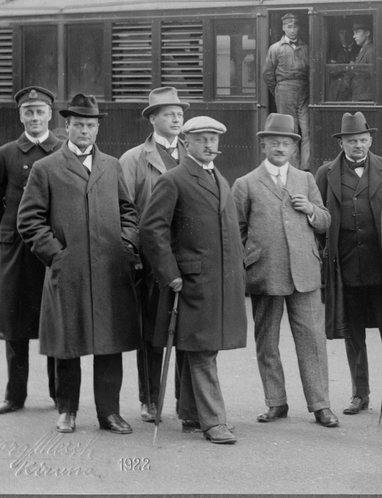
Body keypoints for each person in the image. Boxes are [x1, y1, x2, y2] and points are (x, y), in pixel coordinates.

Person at [16, 93, 141, 435]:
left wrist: (126, 244)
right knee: (67, 344)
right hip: (68, 270)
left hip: (109, 270)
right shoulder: (46, 168)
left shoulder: (111, 166)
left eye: (91, 125)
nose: (85, 130)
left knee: (110, 344)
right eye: (79, 124)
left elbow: (129, 212)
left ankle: (109, 413)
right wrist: (56, 255)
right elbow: (29, 220)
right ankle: (67, 411)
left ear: (98, 129)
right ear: (67, 126)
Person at [141, 116, 247, 445]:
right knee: (203, 349)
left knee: (196, 347)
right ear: (186, 143)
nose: (209, 145)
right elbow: (151, 229)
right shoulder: (174, 179)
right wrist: (170, 273)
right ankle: (214, 421)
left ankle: (190, 414)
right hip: (191, 281)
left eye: (213, 139)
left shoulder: (218, 177)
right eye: (202, 139)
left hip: (219, 282)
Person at [233, 114, 339, 429]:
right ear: (264, 146)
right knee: (267, 342)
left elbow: (325, 221)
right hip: (265, 274)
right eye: (274, 142)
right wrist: (249, 262)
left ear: (294, 148)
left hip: (305, 272)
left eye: (286, 143)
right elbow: (236, 233)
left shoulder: (305, 180)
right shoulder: (246, 184)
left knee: (313, 341)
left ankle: (321, 405)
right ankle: (276, 402)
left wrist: (311, 210)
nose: (280, 148)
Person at [0, 86, 60, 415]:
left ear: (50, 114)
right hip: (15, 251)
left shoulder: (62, 151)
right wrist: (9, 228)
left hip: (51, 248)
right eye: (29, 112)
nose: (35, 118)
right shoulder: (6, 153)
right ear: (21, 116)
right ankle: (15, 395)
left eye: (40, 111)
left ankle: (59, 396)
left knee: (54, 321)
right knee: (14, 324)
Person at [315, 112, 382, 414]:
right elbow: (319, 222)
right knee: (353, 335)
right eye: (352, 141)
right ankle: (359, 394)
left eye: (363, 140)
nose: (358, 146)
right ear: (341, 143)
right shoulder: (325, 173)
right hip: (346, 269)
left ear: (370, 140)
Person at [118, 85, 190, 423]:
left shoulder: (191, 154)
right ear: (153, 119)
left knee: (188, 332)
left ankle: (184, 401)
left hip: (187, 259)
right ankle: (149, 399)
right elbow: (124, 211)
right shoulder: (134, 159)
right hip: (149, 260)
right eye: (168, 113)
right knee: (151, 332)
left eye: (179, 113)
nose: (176, 118)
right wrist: (133, 253)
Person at [262, 12, 310, 167]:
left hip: (304, 91)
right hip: (284, 91)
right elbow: (267, 74)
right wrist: (278, 91)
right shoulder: (276, 48)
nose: (292, 30)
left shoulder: (305, 48)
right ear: (283, 28)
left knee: (307, 129)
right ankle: (293, 168)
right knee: (290, 130)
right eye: (289, 27)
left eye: (295, 26)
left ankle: (306, 168)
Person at [326, 27, 355, 102]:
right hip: (336, 92)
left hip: (353, 91)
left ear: (352, 33)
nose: (345, 36)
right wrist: (348, 66)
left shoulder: (358, 49)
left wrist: (339, 65)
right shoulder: (334, 50)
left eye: (347, 32)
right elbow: (332, 71)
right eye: (341, 33)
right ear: (338, 34)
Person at [349, 22, 374, 102]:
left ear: (367, 33)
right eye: (354, 33)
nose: (354, 36)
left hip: (366, 98)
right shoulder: (363, 51)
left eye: (357, 32)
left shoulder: (371, 51)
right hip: (359, 97)